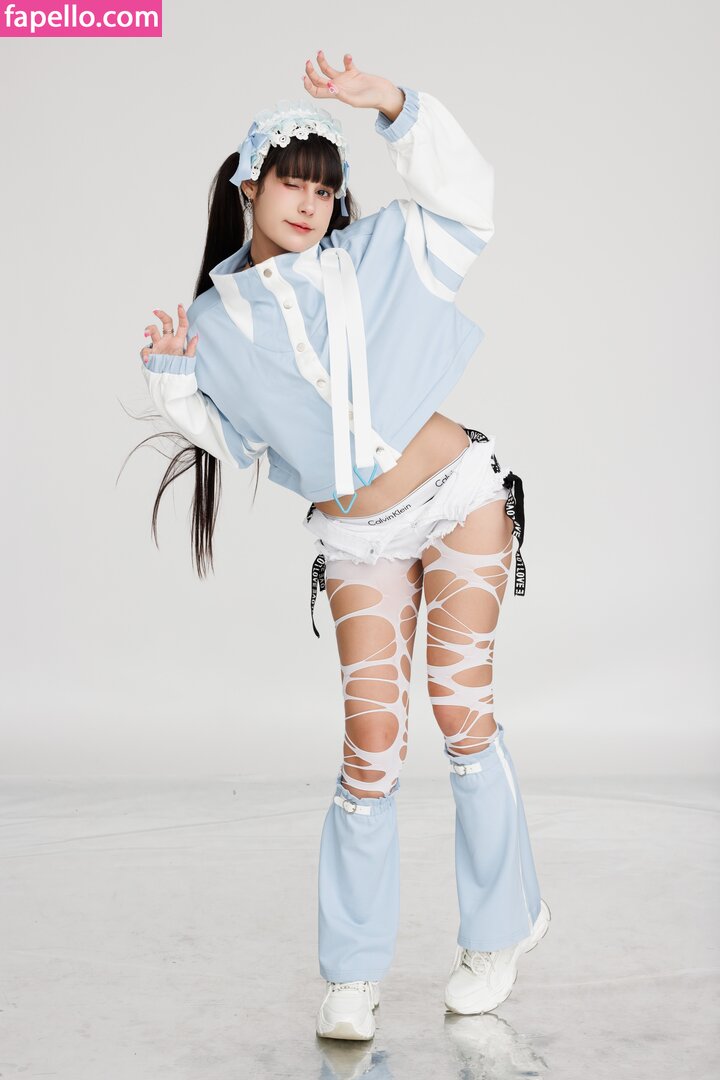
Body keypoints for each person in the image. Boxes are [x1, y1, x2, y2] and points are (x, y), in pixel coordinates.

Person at [132, 51, 551, 1041]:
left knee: (460, 707)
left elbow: (471, 205)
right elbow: (227, 437)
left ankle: (501, 928)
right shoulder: (215, 322)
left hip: (459, 497)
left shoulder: (379, 253)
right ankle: (354, 973)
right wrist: (170, 376)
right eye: (294, 183)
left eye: (325, 189)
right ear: (249, 186)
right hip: (358, 535)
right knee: (371, 746)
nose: (312, 203)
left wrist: (394, 106)